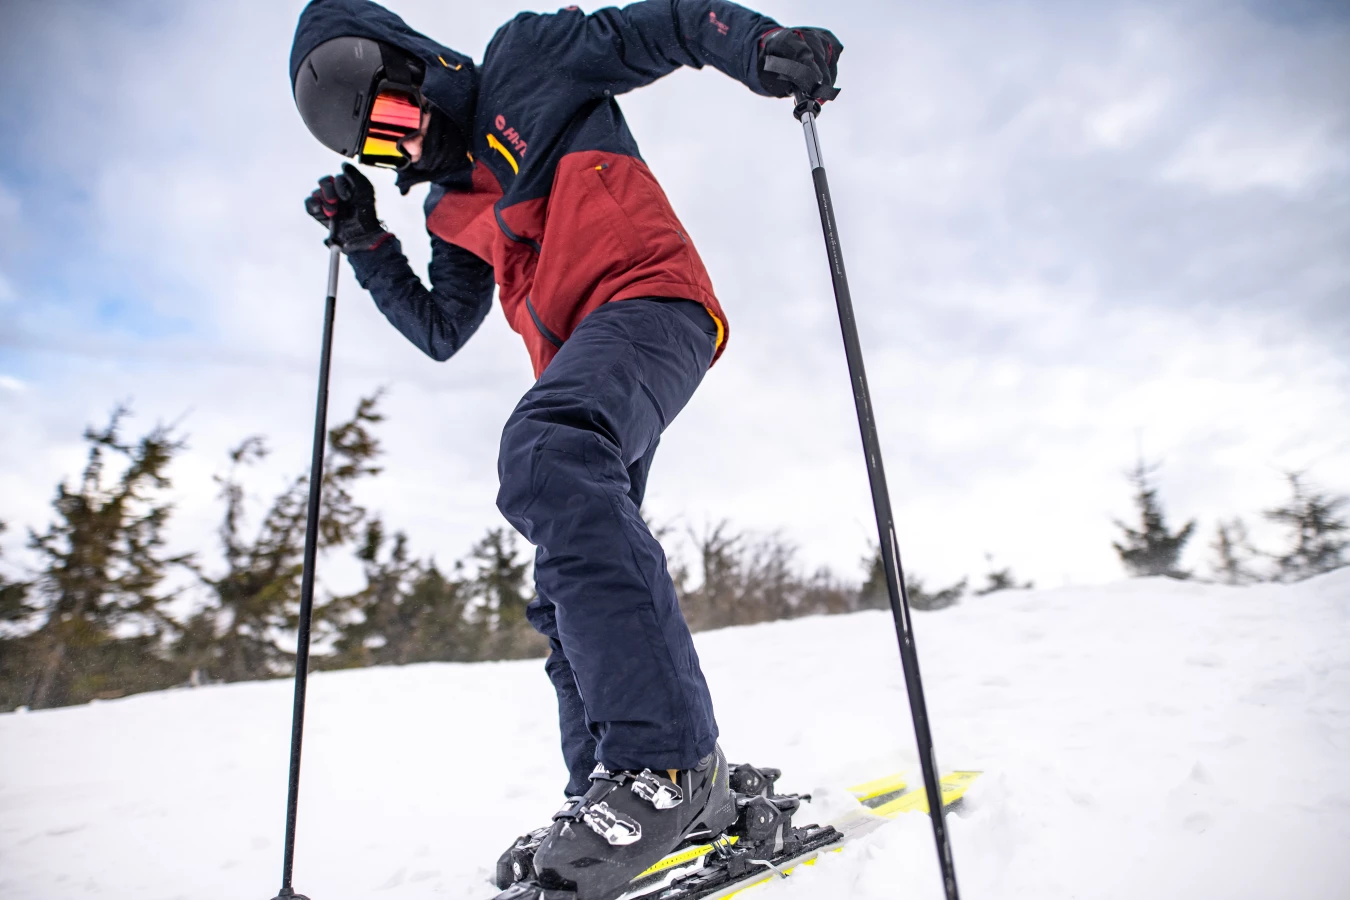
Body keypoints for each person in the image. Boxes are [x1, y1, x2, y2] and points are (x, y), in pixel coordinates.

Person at [288, 1, 840, 896]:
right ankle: (610, 793)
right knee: (561, 578)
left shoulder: (528, 60)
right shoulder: (447, 208)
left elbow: (664, 26)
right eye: (379, 148)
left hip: (651, 302)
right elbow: (442, 328)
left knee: (545, 451)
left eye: (391, 118)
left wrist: (761, 48)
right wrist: (367, 241)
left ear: (415, 66)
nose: (403, 145)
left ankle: (668, 769)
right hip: (583, 360)